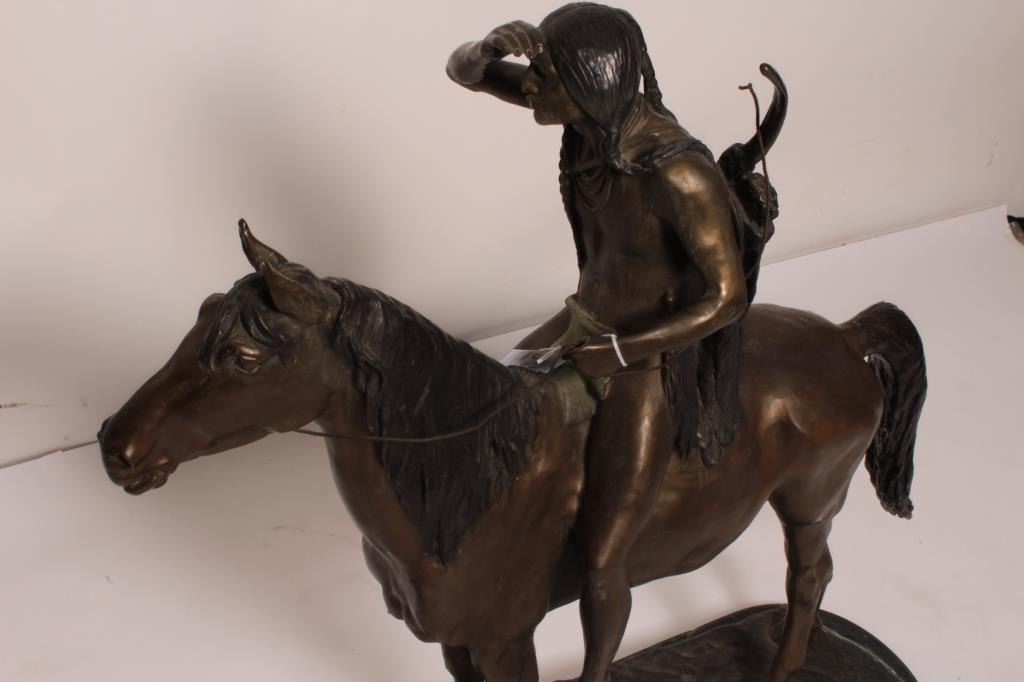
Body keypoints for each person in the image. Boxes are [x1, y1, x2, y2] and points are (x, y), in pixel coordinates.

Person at [448, 4, 753, 680]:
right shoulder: (588, 125)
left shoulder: (677, 172)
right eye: (534, 70)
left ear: (591, 83)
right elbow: (463, 71)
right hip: (581, 320)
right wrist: (492, 46)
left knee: (604, 554)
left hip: (645, 359)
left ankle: (595, 674)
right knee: (486, 415)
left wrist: (620, 354)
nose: (530, 84)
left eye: (545, 75)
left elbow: (727, 299)